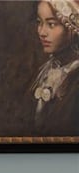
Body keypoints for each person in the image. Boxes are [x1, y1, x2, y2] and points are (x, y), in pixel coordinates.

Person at [31, 0, 79, 136]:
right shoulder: (43, 72)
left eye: (51, 24)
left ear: (72, 28)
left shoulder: (76, 78)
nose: (42, 32)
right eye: (39, 22)